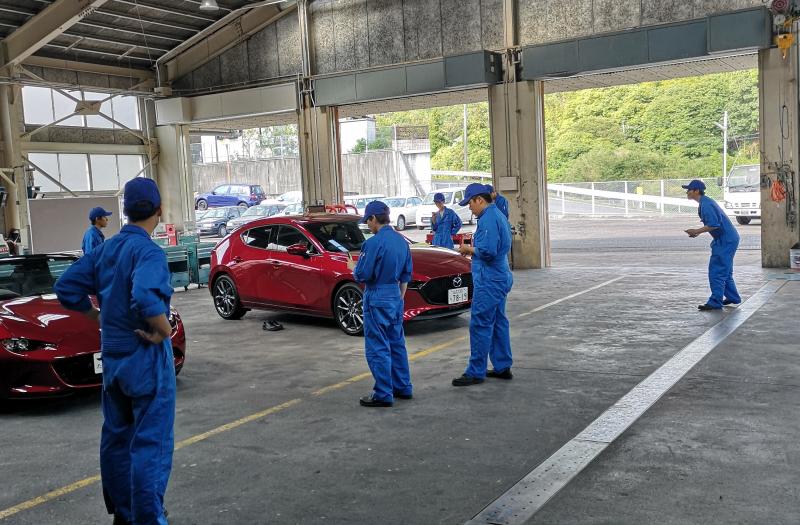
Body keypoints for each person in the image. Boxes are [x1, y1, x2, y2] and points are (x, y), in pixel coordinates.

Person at [55, 178, 175, 525]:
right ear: (159, 210)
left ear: (124, 212)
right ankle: (148, 519)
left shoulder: (105, 250)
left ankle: (124, 513)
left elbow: (66, 286)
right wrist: (163, 330)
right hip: (144, 357)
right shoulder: (149, 251)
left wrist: (97, 315)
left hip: (114, 358)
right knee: (150, 446)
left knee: (118, 437)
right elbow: (145, 295)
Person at [349, 201, 413, 407]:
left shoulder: (372, 244)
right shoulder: (402, 241)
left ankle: (383, 393)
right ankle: (403, 387)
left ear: (374, 218)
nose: (368, 225)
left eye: (368, 221)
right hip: (395, 295)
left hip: (377, 295)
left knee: (378, 346)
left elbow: (364, 274)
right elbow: (406, 275)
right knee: (396, 344)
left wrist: (353, 266)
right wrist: (398, 298)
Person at [452, 183, 514, 386]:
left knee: (480, 323)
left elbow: (487, 251)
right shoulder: (498, 216)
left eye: (470, 203)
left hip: (490, 279)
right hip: (500, 275)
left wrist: (469, 250)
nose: (469, 208)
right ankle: (502, 366)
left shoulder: (488, 218)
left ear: (479, 199)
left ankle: (475, 371)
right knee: (498, 321)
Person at [683, 179, 742, 311]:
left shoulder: (706, 204)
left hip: (725, 240)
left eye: (689, 190)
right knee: (725, 271)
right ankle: (733, 297)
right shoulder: (705, 202)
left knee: (717, 271)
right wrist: (697, 233)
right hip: (726, 238)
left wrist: (696, 231)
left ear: (696, 191)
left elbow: (714, 224)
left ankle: (715, 301)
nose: (687, 192)